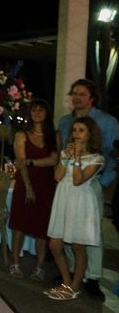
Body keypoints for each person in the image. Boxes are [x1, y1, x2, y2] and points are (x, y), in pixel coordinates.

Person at [56, 79, 117, 301]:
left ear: (92, 97)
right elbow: (63, 150)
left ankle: (92, 278)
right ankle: (73, 272)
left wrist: (102, 182)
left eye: (82, 94)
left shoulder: (107, 121)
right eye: (74, 93)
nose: (77, 97)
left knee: (90, 233)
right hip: (69, 182)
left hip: (92, 182)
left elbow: (114, 154)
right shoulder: (65, 121)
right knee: (68, 230)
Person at [45, 117, 104, 300]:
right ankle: (66, 281)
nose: (76, 133)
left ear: (90, 134)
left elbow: (78, 180)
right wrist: (66, 159)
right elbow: (57, 177)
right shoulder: (65, 153)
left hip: (81, 201)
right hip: (63, 199)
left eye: (81, 130)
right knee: (55, 244)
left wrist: (77, 158)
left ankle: (75, 286)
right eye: (75, 130)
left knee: (78, 246)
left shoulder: (96, 159)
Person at [8, 98, 58, 280]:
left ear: (47, 114)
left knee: (42, 229)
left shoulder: (54, 136)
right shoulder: (21, 135)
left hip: (46, 184)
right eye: (34, 110)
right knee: (19, 225)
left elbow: (54, 160)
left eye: (41, 110)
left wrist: (31, 162)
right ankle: (15, 262)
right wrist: (28, 187)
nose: (37, 113)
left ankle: (39, 266)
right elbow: (21, 163)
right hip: (25, 182)